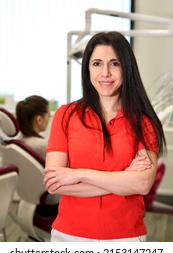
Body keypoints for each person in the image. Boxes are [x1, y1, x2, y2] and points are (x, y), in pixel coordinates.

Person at [43, 31, 166, 242]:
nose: (106, 73)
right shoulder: (66, 115)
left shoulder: (143, 122)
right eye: (97, 63)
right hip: (69, 235)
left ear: (126, 68)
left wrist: (78, 174)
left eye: (115, 64)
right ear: (87, 68)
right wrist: (123, 177)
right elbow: (55, 183)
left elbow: (142, 184)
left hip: (125, 238)